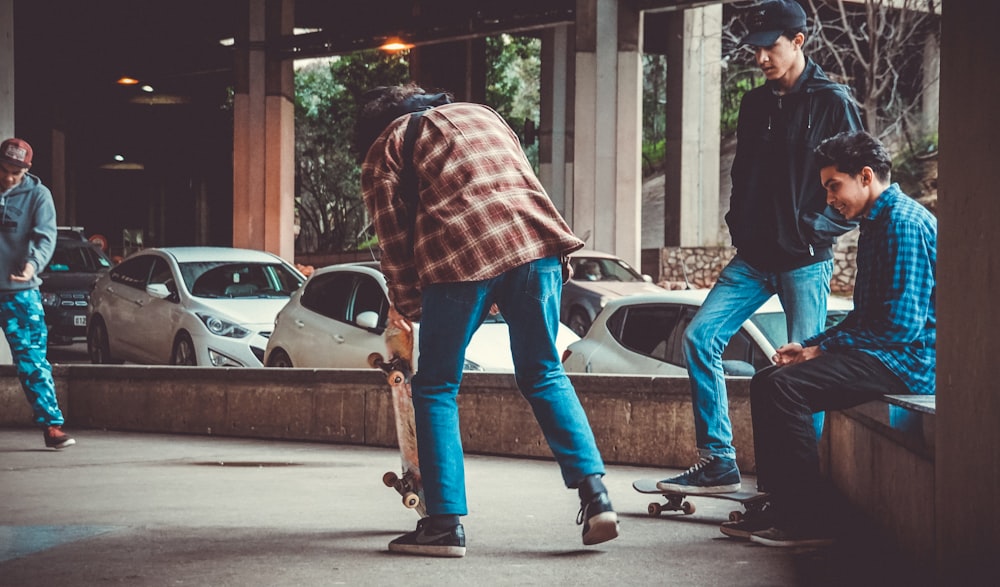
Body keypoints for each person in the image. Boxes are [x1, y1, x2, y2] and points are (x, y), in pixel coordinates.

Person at [355, 84, 619, 558]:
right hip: (537, 247)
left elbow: (393, 242)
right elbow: (524, 182)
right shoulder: (484, 114)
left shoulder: (386, 146)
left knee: (435, 386)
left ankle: (444, 525)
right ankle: (596, 495)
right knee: (544, 371)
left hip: (458, 258)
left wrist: (408, 305)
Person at [657, 0, 863, 495]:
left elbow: (862, 178)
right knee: (699, 337)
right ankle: (718, 460)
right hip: (753, 257)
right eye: (755, 49)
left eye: (771, 47)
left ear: (798, 42)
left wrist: (817, 228)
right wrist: (740, 224)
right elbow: (742, 174)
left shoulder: (832, 101)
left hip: (804, 260)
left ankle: (799, 489)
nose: (762, 58)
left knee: (802, 371)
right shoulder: (754, 104)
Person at [721, 130, 936, 547]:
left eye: (833, 186)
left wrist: (823, 349)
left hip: (907, 361)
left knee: (786, 389)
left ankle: (806, 520)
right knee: (767, 381)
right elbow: (865, 317)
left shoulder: (903, 225)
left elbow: (901, 327)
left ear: (866, 176)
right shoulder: (877, 223)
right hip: (883, 353)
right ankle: (780, 504)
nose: (829, 199)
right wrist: (811, 344)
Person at [0, 138, 74, 449]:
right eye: (3, 170)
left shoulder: (38, 196)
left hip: (19, 291)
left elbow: (45, 238)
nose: (8, 178)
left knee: (31, 359)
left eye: (15, 173)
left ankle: (52, 426)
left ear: (27, 170)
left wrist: (32, 266)